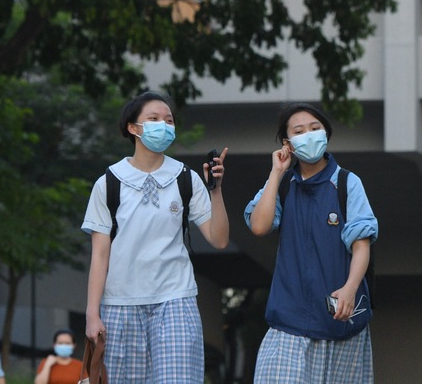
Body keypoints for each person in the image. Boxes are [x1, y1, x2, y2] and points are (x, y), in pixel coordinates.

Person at [81, 90, 229, 382]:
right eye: (154, 119)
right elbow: (100, 254)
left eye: (169, 120)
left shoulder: (186, 178)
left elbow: (219, 239)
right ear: (132, 128)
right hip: (120, 305)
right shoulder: (108, 183)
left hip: (176, 300)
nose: (164, 125)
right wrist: (92, 313)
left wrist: (216, 190)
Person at [245, 102, 378, 383]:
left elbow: (361, 245)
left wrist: (350, 289)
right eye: (299, 131)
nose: (309, 135)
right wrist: (276, 173)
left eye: (315, 128)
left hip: (342, 322)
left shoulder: (346, 182)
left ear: (326, 134)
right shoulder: (283, 185)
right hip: (288, 321)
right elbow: (259, 226)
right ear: (288, 143)